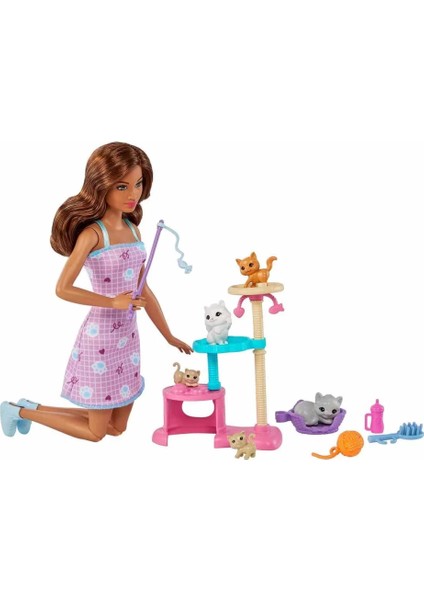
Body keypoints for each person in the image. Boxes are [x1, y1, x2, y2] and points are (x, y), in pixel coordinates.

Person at [1, 142, 192, 442]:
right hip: (99, 339)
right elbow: (63, 288)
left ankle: (28, 407)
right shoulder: (92, 234)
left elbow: (144, 289)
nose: (132, 194)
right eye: (122, 186)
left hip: (128, 341)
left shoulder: (133, 229)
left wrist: (169, 335)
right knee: (95, 432)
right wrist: (112, 302)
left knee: (116, 427)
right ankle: (20, 412)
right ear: (102, 186)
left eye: (138, 184)